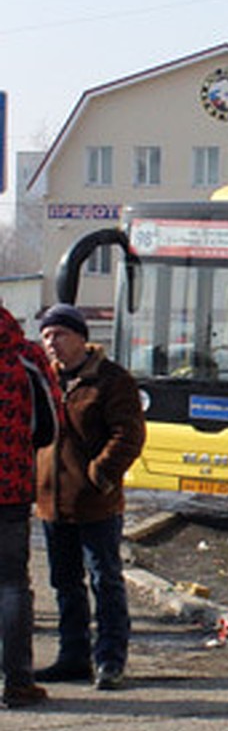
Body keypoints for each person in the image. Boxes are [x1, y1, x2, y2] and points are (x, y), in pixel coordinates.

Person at [35, 304, 145, 691]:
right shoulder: (44, 379)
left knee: (105, 580)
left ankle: (110, 661)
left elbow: (128, 434)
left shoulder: (111, 380)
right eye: (46, 336)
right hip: (52, 502)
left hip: (96, 502)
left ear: (81, 337)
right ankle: (73, 657)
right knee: (65, 584)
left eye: (60, 335)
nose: (52, 343)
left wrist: (101, 475)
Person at [0, 302, 60, 709]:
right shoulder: (25, 356)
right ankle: (18, 682)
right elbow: (49, 425)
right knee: (11, 584)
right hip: (11, 487)